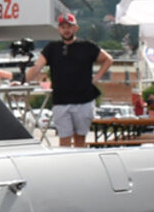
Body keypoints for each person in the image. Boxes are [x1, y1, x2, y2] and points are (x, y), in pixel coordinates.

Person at [25, 12, 112, 147]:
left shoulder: (87, 46)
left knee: (80, 139)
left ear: (75, 28)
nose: (66, 30)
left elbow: (108, 59)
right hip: (61, 101)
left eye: (69, 26)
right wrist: (23, 79)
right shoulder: (52, 48)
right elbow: (37, 67)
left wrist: (96, 78)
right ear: (59, 29)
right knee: (64, 140)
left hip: (84, 100)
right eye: (63, 27)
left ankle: (80, 166)